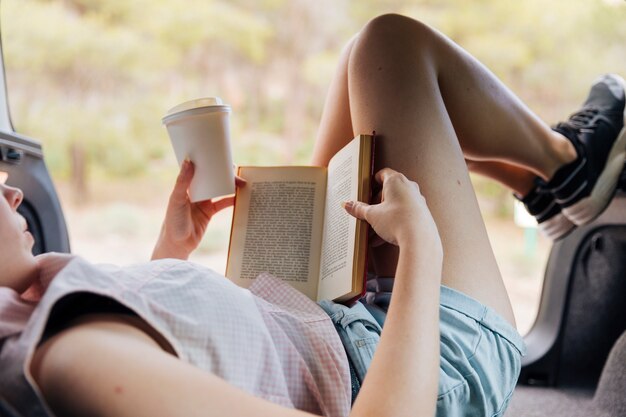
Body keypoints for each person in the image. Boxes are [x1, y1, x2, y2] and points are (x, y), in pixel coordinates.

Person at [0, 13, 624, 417]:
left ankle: (549, 178)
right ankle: (563, 167)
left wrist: (170, 256)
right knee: (391, 46)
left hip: (323, 325)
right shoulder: (75, 355)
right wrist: (420, 252)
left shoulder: (37, 309)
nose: (14, 194)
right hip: (425, 369)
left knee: (362, 62)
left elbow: (169, 354)